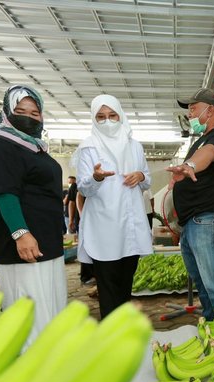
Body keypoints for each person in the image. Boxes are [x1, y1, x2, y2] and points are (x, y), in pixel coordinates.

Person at [0, 85, 66, 345]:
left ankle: (50, 354)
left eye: (35, 113)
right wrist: (21, 233)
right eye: (20, 110)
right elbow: (4, 192)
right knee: (28, 303)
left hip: (45, 236)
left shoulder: (33, 145)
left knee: (47, 300)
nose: (28, 117)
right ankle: (30, 362)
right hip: (23, 237)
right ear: (6, 112)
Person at [74, 94, 153, 318]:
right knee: (108, 285)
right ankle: (110, 337)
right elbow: (83, 189)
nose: (107, 121)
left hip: (131, 224)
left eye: (112, 115)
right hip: (104, 227)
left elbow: (147, 180)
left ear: (120, 115)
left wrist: (139, 175)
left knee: (125, 282)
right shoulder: (88, 148)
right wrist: (96, 178)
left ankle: (123, 329)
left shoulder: (134, 146)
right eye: (101, 117)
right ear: (93, 119)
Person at [167, 88, 214, 320]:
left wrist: (189, 165)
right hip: (194, 223)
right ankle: (213, 331)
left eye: (193, 108)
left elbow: (208, 154)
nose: (189, 113)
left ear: (210, 110)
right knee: (205, 287)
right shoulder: (202, 139)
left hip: (209, 219)